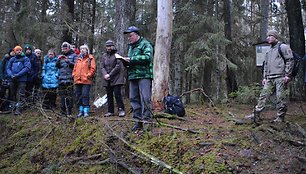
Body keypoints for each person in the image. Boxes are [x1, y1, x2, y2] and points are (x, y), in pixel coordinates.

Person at [253, 30, 294, 123]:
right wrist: (264, 77)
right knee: (263, 96)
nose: (268, 38)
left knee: (280, 97)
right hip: (269, 78)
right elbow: (266, 65)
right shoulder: (269, 50)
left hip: (280, 77)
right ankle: (256, 114)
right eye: (267, 36)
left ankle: (280, 117)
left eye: (270, 36)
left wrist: (287, 75)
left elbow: (290, 60)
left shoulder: (283, 47)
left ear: (275, 37)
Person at [122, 26, 154, 131]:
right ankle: (138, 121)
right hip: (133, 76)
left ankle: (147, 122)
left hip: (144, 75)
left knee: (145, 98)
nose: (129, 38)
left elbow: (148, 57)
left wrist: (132, 59)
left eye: (130, 35)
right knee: (134, 99)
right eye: (128, 36)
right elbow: (131, 61)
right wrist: (125, 62)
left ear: (136, 34)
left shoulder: (145, 44)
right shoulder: (131, 47)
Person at [101, 40, 126, 117]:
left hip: (117, 78)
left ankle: (121, 109)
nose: (109, 48)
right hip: (107, 79)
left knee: (117, 94)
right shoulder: (104, 56)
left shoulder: (117, 54)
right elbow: (102, 67)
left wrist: (110, 75)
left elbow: (118, 66)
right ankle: (110, 111)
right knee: (109, 95)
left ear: (113, 46)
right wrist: (105, 74)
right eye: (107, 46)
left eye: (110, 46)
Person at [6, 46, 31, 115]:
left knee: (21, 94)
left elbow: (27, 68)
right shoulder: (12, 59)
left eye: (20, 50)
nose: (19, 51)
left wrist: (18, 75)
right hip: (12, 79)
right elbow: (8, 68)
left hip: (22, 79)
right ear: (14, 51)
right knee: (12, 93)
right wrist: (11, 75)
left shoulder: (25, 59)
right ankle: (12, 108)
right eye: (17, 50)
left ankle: (19, 109)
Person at [72, 44, 96, 117]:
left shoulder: (90, 58)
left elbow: (93, 68)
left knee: (85, 95)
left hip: (86, 80)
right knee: (78, 96)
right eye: (81, 49)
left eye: (84, 49)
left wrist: (88, 75)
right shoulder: (78, 59)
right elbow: (75, 68)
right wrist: (74, 74)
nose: (82, 50)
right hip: (78, 80)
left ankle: (86, 111)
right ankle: (81, 111)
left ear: (87, 50)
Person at [56, 42, 77, 116]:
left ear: (69, 48)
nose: (64, 50)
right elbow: (57, 66)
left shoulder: (74, 55)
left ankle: (69, 111)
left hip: (70, 79)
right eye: (63, 49)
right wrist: (58, 60)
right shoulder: (60, 56)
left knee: (69, 96)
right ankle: (63, 111)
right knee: (62, 96)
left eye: (65, 48)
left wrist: (68, 62)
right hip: (61, 79)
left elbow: (76, 66)